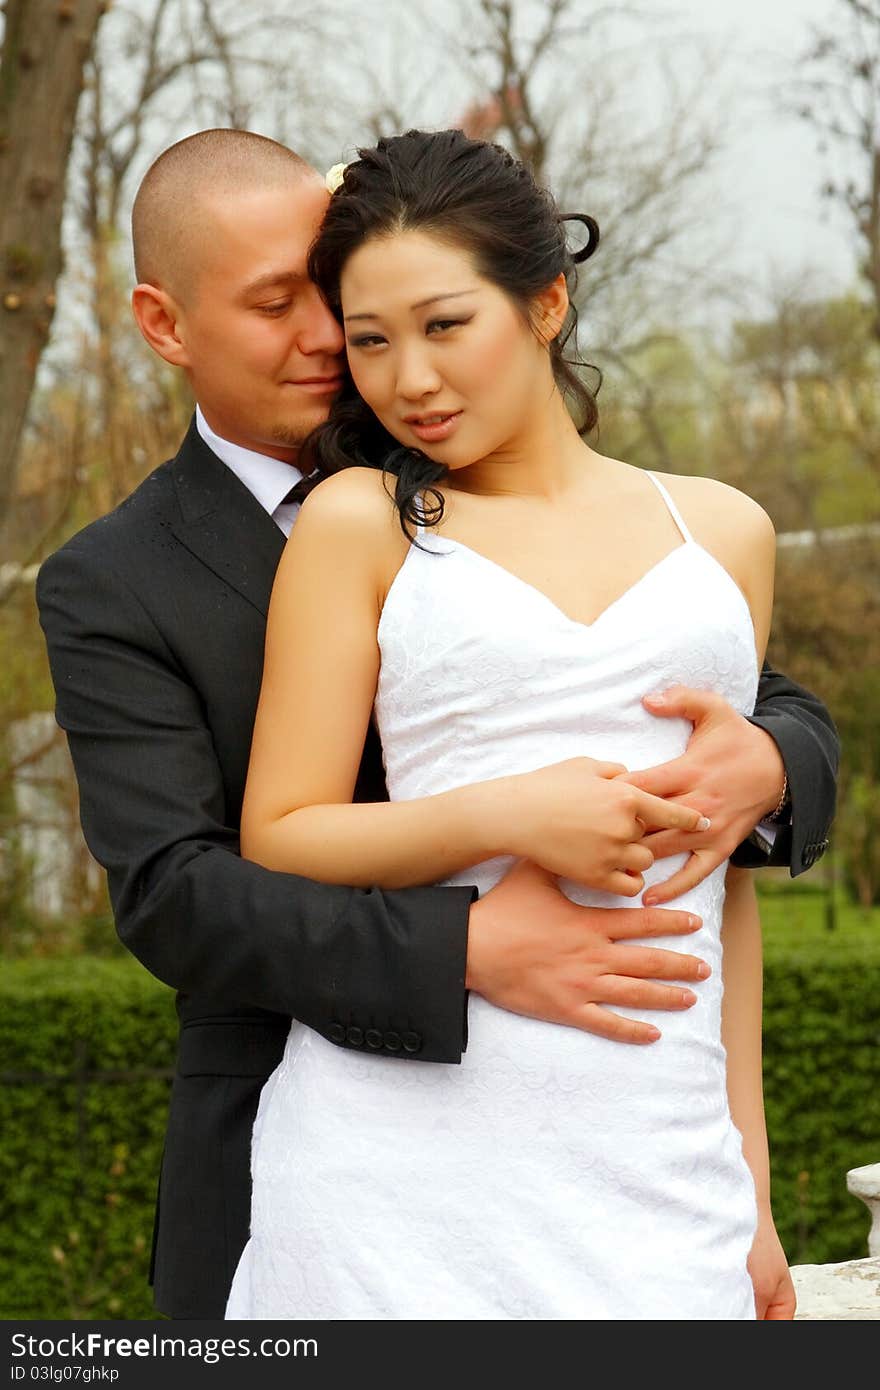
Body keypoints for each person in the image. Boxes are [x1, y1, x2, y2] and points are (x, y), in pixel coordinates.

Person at [34, 129, 838, 1322]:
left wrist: (772, 764)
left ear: (542, 303)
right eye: (288, 307)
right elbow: (177, 893)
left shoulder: (675, 519)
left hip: (646, 1149)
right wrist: (469, 940)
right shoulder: (138, 572)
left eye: (337, 298)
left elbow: (716, 757)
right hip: (347, 1137)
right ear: (163, 324)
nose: (341, 345)